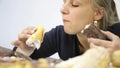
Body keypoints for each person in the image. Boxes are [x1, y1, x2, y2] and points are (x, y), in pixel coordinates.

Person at [12, 0, 120, 60]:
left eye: (74, 4)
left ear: (98, 13)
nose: (62, 9)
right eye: (64, 2)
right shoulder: (60, 35)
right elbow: (17, 60)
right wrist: (24, 50)